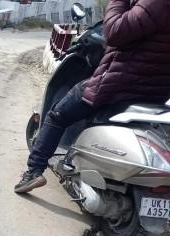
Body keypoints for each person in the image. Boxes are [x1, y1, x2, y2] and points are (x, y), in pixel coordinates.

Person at [14, 0, 170, 194]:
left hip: (121, 84)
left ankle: (33, 171)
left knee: (57, 115)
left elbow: (115, 31)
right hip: (156, 91)